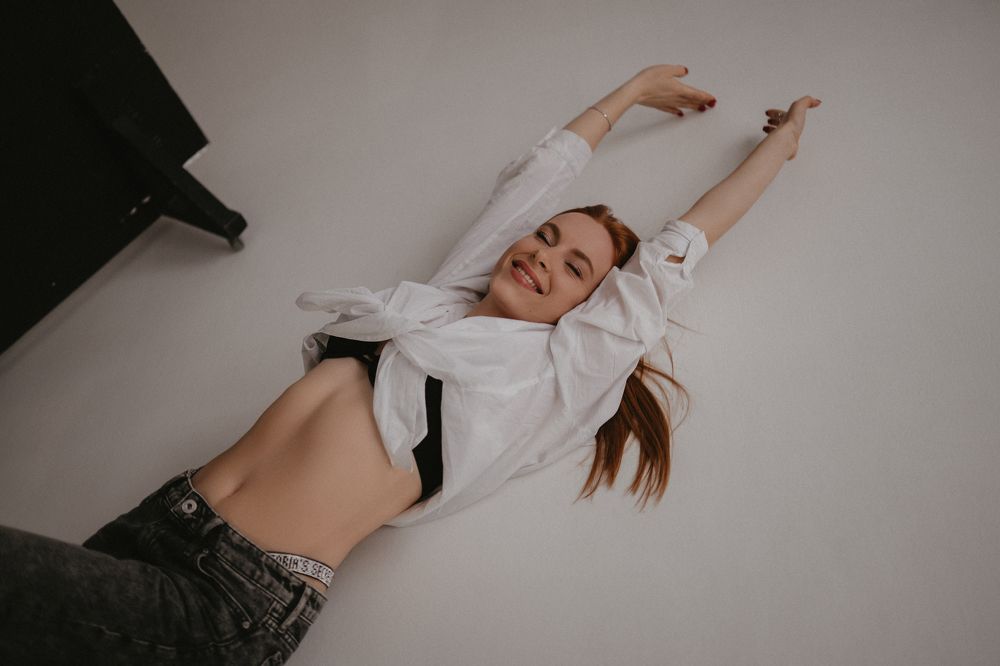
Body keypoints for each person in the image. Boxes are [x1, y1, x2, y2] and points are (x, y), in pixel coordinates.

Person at [0, 64, 820, 664]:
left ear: (589, 310)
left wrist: (780, 148)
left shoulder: (548, 373)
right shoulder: (437, 302)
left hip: (230, 595)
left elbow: (679, 249)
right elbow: (535, 178)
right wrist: (631, 90)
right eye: (546, 238)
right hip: (158, 523)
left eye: (575, 268)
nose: (544, 255)